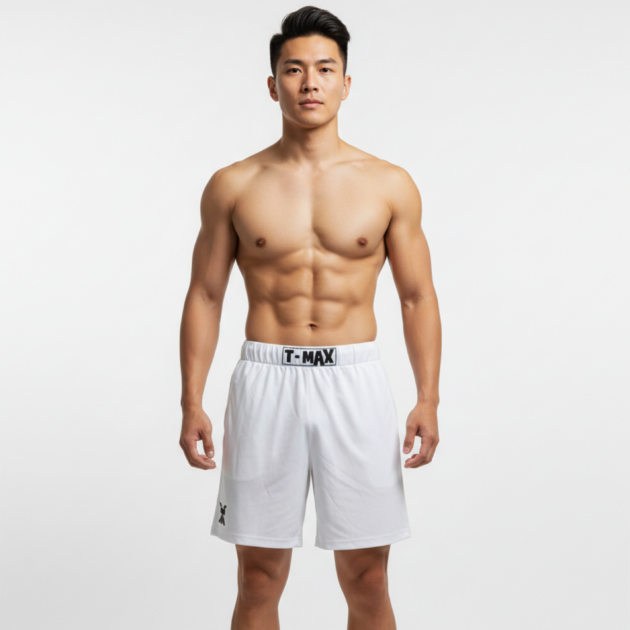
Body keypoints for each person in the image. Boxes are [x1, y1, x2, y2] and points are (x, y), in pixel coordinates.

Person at [179, 5, 442, 629]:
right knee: (258, 577)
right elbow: (206, 295)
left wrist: (428, 398)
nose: (310, 83)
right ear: (273, 85)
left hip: (354, 380)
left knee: (368, 577)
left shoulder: (389, 184)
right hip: (267, 378)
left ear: (346, 83)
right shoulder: (234, 184)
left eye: (325, 69)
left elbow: (417, 297)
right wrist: (191, 400)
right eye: (294, 70)